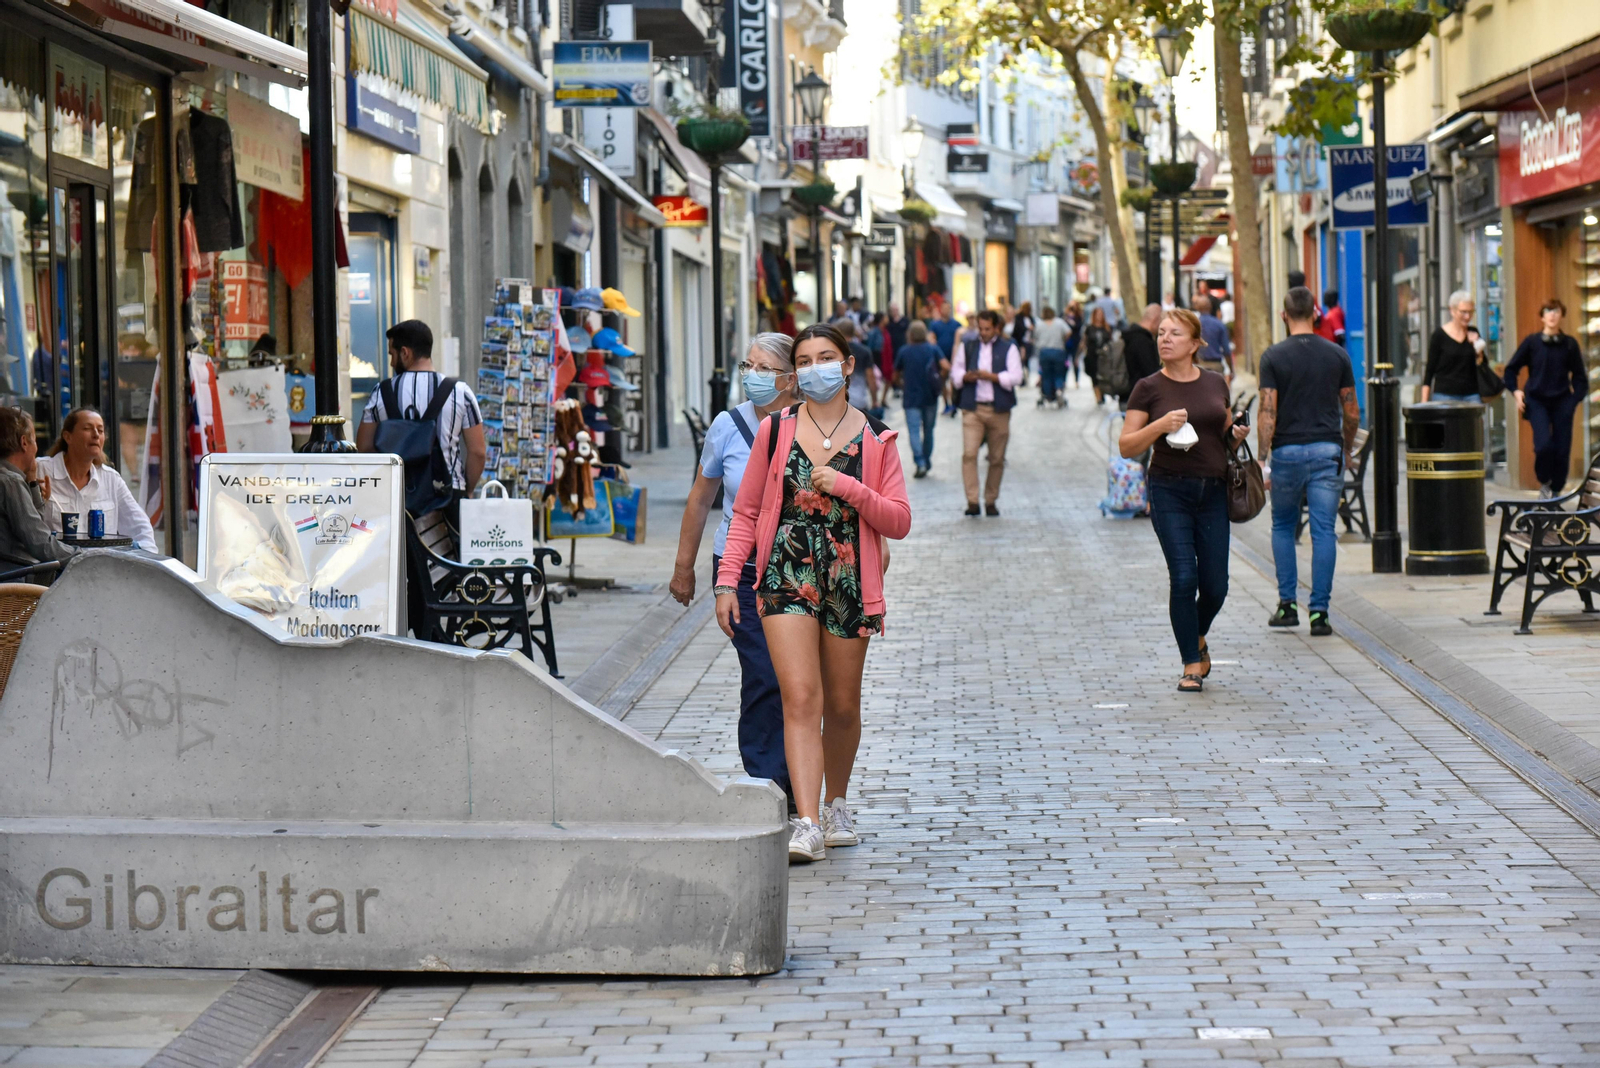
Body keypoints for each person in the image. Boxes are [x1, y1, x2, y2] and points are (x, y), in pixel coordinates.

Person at [715, 323, 911, 863]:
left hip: (848, 577)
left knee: (842, 704)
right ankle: (805, 822)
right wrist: (728, 580)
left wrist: (847, 485)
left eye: (826, 357)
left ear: (847, 367)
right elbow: (746, 513)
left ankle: (837, 801)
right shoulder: (774, 431)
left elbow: (898, 521)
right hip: (784, 573)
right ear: (795, 373)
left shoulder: (877, 437)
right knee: (800, 697)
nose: (814, 367)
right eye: (804, 360)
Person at [671, 335, 799, 808]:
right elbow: (701, 499)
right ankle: (769, 784)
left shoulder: (808, 423)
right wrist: (684, 568)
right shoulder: (727, 425)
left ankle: (802, 785)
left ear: (790, 377)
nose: (751, 374)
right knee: (764, 671)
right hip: (739, 568)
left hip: (796, 567)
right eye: (747, 364)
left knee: (799, 679)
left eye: (763, 367)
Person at [1120, 310, 1249, 693]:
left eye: (1175, 333)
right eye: (1161, 333)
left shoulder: (1215, 381)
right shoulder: (1148, 388)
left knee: (1215, 586)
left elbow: (1223, 431)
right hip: (1168, 488)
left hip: (1212, 489)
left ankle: (1197, 635)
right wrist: (1160, 426)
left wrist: (1236, 434)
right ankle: (1191, 664)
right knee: (1184, 577)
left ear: (1195, 344)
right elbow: (1127, 446)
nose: (1165, 339)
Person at [1257, 287, 1360, 636]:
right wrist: (1345, 448)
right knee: (1323, 531)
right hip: (1325, 451)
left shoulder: (1273, 356)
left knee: (1284, 526)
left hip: (1286, 452)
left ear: (1284, 315)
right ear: (1316, 315)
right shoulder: (1337, 355)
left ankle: (1287, 605)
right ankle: (1319, 612)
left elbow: (1267, 412)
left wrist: (1261, 457)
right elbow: (1352, 412)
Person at [38, 408, 157, 552]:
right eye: (88, 428)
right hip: (57, 569)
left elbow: (141, 529)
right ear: (68, 437)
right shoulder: (40, 470)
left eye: (100, 431)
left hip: (101, 570)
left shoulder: (111, 479)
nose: (95, 434)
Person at [1503, 298, 1588, 497]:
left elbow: (1580, 377)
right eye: (1548, 311)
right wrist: (1516, 391)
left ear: (1562, 316)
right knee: (1543, 446)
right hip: (1536, 401)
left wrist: (1574, 400)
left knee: (1562, 448)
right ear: (1542, 317)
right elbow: (1511, 370)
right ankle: (1544, 483)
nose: (1552, 315)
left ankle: (1556, 490)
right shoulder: (1532, 343)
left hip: (1562, 401)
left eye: (1556, 311)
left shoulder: (1569, 344)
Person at [951, 309, 1022, 517]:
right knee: (969, 454)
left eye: (987, 329)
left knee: (997, 458)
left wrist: (991, 377)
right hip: (973, 408)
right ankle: (972, 501)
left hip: (999, 409)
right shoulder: (968, 346)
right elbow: (956, 373)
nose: (983, 332)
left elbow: (1016, 377)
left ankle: (991, 500)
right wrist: (966, 377)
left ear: (996, 327)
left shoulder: (1009, 348)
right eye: (980, 328)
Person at [0, 406, 73, 572]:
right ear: (24, 442)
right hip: (16, 581)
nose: (36, 448)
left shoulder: (10, 478)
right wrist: (84, 557)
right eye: (35, 439)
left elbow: (33, 523)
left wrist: (32, 482)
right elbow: (40, 543)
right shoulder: (11, 482)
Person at [893, 321, 948, 478]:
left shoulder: (904, 351)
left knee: (914, 431)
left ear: (910, 334)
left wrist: (902, 384)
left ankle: (920, 462)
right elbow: (946, 366)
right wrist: (940, 380)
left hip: (911, 397)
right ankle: (926, 459)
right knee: (929, 430)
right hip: (930, 396)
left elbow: (895, 374)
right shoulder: (932, 349)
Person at [1420, 290, 1481, 402]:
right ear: (1452, 310)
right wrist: (1424, 402)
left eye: (1471, 312)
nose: (1467, 317)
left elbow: (1481, 364)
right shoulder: (1439, 335)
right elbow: (1430, 370)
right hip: (1445, 395)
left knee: (1475, 419)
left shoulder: (1473, 332)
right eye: (1463, 312)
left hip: (1471, 394)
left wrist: (1477, 346)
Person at [1120, 304, 1163, 407]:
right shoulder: (1143, 341)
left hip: (1127, 395)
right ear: (1155, 319)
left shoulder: (1130, 335)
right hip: (1138, 399)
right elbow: (1151, 372)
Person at [1032, 307, 1071, 408]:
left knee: (1046, 375)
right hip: (1058, 351)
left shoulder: (1039, 324)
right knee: (1059, 373)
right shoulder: (1059, 322)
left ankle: (1048, 395)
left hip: (1044, 352)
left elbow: (1035, 337)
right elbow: (1068, 332)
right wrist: (1063, 340)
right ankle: (1058, 390)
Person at [929, 304, 962, 418]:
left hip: (953, 358)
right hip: (940, 358)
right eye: (944, 309)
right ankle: (946, 403)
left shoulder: (956, 324)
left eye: (948, 309)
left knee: (953, 381)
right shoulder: (935, 325)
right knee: (942, 381)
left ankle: (953, 403)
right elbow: (932, 338)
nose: (946, 311)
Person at [1194, 294, 1233, 378]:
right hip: (1216, 366)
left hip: (1198, 366)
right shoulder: (1219, 324)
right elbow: (1226, 350)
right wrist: (1231, 370)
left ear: (1197, 308)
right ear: (1210, 307)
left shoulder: (1193, 325)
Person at [1083, 307, 1112, 405]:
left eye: (1101, 314)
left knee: (1104, 376)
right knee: (1094, 376)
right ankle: (1098, 397)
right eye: (1097, 314)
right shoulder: (1089, 328)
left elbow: (1111, 341)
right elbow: (1084, 341)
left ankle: (1103, 393)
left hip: (1104, 356)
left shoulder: (1107, 327)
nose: (1099, 316)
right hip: (1092, 355)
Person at [1012, 301, 1034, 386]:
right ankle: (1021, 379)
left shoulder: (1030, 317)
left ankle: (1026, 378)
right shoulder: (1018, 317)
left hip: (1028, 341)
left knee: (1027, 360)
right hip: (1021, 342)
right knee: (1021, 360)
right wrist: (1028, 328)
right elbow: (1018, 329)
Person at [1063, 301, 1084, 386]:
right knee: (1065, 362)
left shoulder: (1078, 316)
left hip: (1075, 342)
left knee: (1075, 362)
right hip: (1066, 342)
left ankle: (1076, 381)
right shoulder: (1064, 315)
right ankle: (1064, 380)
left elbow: (1078, 326)